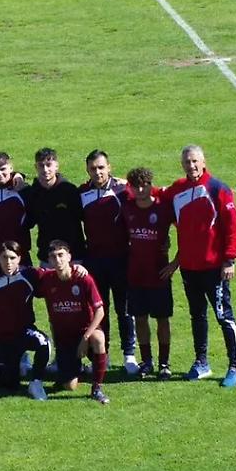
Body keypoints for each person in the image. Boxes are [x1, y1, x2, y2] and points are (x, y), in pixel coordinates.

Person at [162, 145, 236, 387]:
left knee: (223, 316)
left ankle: (235, 367)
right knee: (197, 315)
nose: (191, 166)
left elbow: (232, 228)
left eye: (195, 161)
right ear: (182, 165)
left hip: (214, 268)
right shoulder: (177, 190)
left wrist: (229, 260)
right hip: (189, 268)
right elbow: (154, 195)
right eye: (187, 162)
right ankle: (201, 362)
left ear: (204, 162)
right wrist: (128, 184)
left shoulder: (218, 189)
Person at [79, 150, 138, 375]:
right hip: (95, 260)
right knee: (99, 310)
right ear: (87, 170)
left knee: (125, 309)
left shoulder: (123, 190)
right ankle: (103, 353)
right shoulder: (82, 193)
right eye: (93, 168)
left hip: (121, 259)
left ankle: (129, 354)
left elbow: (148, 198)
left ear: (109, 167)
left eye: (101, 167)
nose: (98, 172)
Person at [0, 241, 51, 401]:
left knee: (44, 343)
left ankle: (36, 382)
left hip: (24, 332)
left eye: (12, 258)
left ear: (19, 258)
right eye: (4, 257)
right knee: (9, 384)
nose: (8, 262)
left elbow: (56, 274)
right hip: (2, 340)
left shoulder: (30, 274)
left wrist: (77, 268)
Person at [37, 240, 110, 405]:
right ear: (49, 260)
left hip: (86, 332)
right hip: (65, 339)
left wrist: (85, 337)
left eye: (61, 255)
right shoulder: (46, 279)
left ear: (69, 257)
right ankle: (78, 370)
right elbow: (23, 271)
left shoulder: (83, 278)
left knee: (99, 338)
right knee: (69, 386)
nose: (58, 260)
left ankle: (97, 388)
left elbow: (100, 311)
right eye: (53, 257)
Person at [123, 167, 174, 379]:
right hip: (135, 274)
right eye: (136, 186)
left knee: (162, 319)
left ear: (151, 185)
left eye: (145, 185)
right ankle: (147, 362)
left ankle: (164, 364)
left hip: (159, 274)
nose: (141, 190)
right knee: (140, 319)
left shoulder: (163, 208)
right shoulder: (127, 208)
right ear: (131, 188)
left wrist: (174, 264)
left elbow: (187, 232)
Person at [26, 148, 86, 263]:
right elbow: (29, 222)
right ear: (36, 167)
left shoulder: (69, 190)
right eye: (41, 165)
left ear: (56, 166)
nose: (45, 170)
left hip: (73, 255)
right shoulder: (33, 193)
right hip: (47, 256)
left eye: (49, 165)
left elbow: (84, 217)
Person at [0, 152, 32, 267]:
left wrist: (19, 176)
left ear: (11, 168)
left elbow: (33, 217)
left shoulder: (23, 189)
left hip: (19, 252)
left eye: (3, 169)